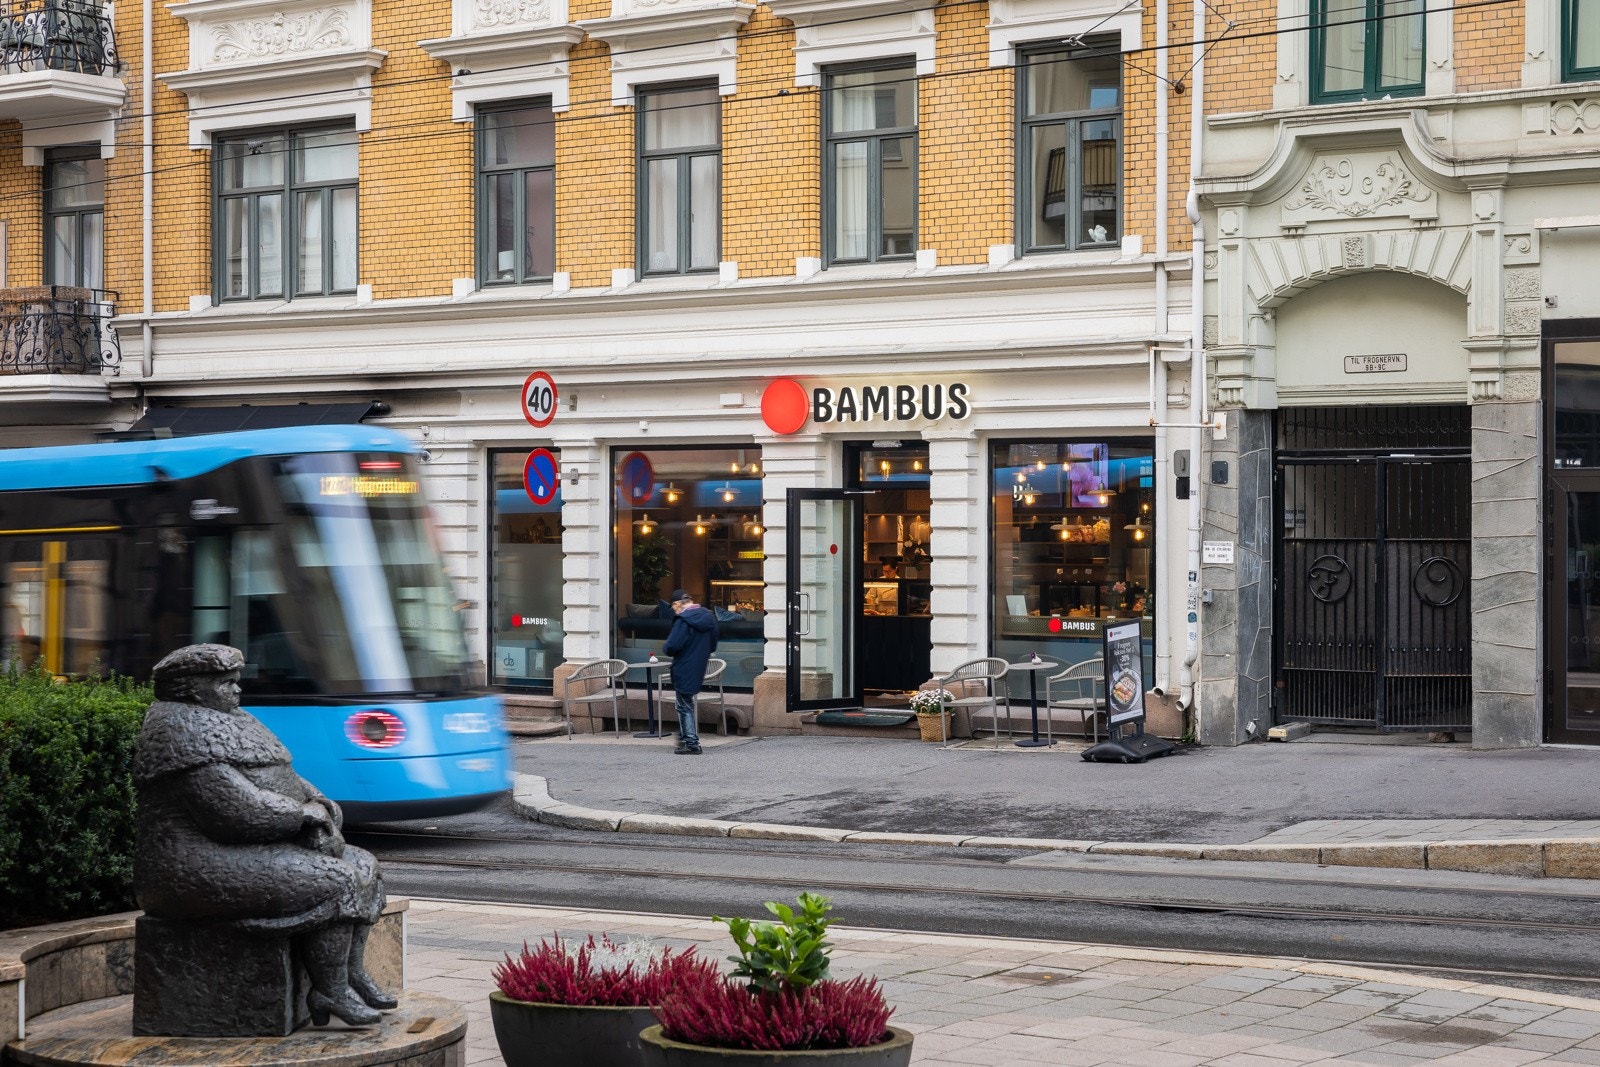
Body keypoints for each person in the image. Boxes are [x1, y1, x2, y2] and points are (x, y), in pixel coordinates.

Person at [132, 644, 394, 1027]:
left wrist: (320, 803)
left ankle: (348, 976)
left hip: (239, 850)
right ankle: (330, 989)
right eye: (225, 682)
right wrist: (305, 816)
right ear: (190, 689)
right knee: (337, 880)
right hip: (192, 866)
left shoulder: (232, 719)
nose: (237, 690)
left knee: (363, 863)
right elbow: (235, 811)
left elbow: (287, 779)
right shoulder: (179, 732)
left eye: (236, 681)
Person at [662, 589, 718, 755]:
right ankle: (684, 738)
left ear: (678, 604)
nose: (673, 609)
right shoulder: (709, 618)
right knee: (686, 703)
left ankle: (691, 743)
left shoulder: (683, 620)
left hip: (684, 666)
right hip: (699, 666)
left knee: (684, 706)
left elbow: (672, 646)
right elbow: (713, 644)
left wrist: (666, 648)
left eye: (673, 605)